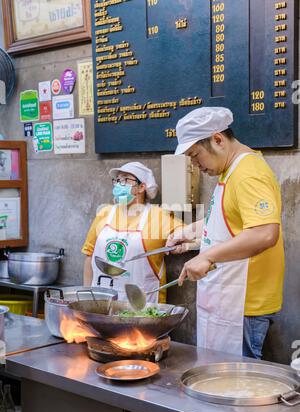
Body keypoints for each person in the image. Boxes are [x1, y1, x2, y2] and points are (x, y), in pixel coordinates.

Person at [167, 107, 284, 359]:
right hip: (229, 297)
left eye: (196, 156)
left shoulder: (248, 174)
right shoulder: (230, 171)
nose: (196, 166)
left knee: (237, 386)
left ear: (217, 139)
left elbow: (264, 233)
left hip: (244, 303)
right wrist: (189, 234)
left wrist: (208, 257)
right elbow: (229, 222)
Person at [82, 162, 183, 303]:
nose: (119, 184)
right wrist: (88, 297)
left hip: (143, 307)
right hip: (101, 302)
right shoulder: (105, 213)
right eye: (117, 180)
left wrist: (181, 241)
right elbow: (89, 256)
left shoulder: (159, 216)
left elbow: (190, 234)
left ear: (141, 187)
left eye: (125, 179)